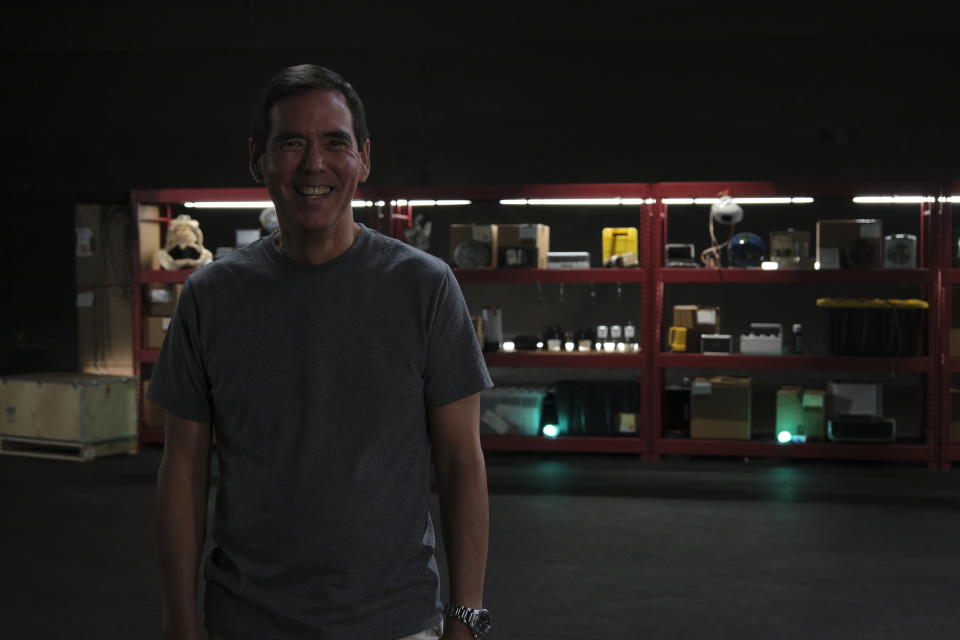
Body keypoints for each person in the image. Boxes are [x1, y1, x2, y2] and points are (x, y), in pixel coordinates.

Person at [152, 64, 493, 640]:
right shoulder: (210, 298)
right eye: (291, 142)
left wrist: (465, 619)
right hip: (247, 620)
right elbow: (182, 469)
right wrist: (180, 621)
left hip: (396, 622)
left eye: (335, 142)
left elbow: (462, 463)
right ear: (257, 158)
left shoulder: (424, 288)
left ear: (363, 158)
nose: (314, 164)